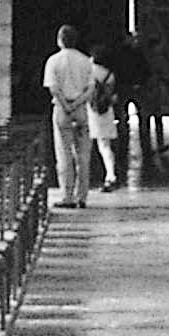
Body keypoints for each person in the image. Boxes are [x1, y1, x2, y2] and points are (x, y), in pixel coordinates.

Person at [42, 24, 94, 208]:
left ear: (59, 40)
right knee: (83, 155)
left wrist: (66, 105)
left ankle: (67, 196)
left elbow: (54, 88)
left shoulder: (53, 61)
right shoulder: (86, 61)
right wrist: (77, 103)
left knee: (63, 154)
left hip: (63, 110)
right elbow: (90, 89)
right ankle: (82, 197)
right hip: (80, 110)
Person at [109, 30, 154, 165]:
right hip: (138, 88)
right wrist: (142, 82)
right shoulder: (138, 54)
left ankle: (122, 149)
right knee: (143, 119)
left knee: (123, 120)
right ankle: (146, 148)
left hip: (124, 88)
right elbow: (147, 70)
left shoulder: (118, 55)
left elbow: (116, 71)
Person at [87, 46, 119, 192]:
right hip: (105, 112)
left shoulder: (87, 72)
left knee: (83, 146)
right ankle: (110, 175)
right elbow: (111, 94)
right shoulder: (109, 75)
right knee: (105, 146)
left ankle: (85, 176)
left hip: (89, 110)